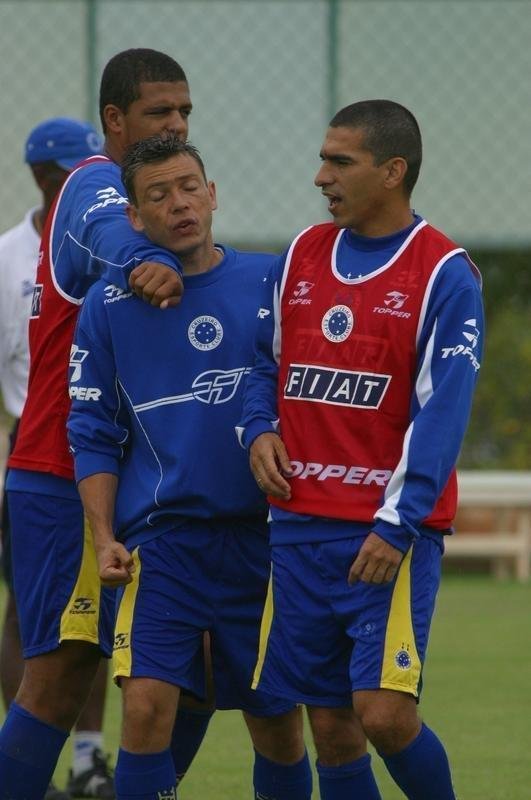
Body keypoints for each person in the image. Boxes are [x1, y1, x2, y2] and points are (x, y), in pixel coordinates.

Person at [239, 99, 484, 800]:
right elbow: (265, 365)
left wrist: (396, 522)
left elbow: (443, 409)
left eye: (339, 161)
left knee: (382, 712)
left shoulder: (443, 273)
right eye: (323, 159)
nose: (321, 176)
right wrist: (260, 428)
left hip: (384, 535)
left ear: (392, 171)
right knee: (332, 726)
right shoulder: (301, 256)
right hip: (296, 527)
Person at [66, 133, 312, 800]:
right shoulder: (107, 307)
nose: (178, 203)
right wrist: (103, 536)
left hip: (267, 538)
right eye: (157, 195)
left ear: (212, 194)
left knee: (276, 720)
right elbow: (90, 432)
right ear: (136, 220)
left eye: (187, 187)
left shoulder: (274, 279)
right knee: (144, 704)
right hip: (162, 540)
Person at [0, 49, 194, 800]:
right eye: (158, 112)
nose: (175, 123)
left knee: (196, 666)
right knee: (57, 677)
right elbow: (112, 241)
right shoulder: (93, 187)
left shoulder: (164, 196)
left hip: (145, 476)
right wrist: (149, 259)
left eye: (184, 112)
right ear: (114, 122)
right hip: (62, 470)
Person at [0, 116, 115, 800]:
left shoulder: (109, 240)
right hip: (34, 452)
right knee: (29, 618)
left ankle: (88, 759)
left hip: (102, 451)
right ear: (43, 175)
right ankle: (33, 761)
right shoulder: (9, 257)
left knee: (92, 621)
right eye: (72, 169)